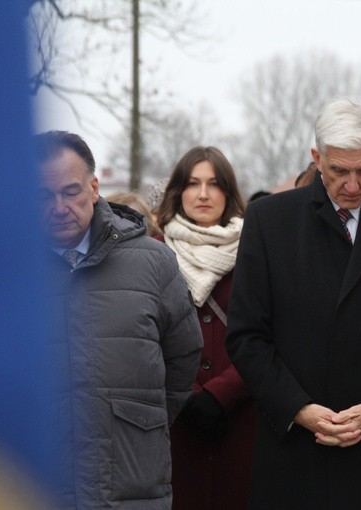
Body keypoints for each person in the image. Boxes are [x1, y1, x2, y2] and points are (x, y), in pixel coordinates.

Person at [225, 97, 361, 509]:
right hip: (293, 450)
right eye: (339, 171)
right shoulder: (269, 220)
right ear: (317, 157)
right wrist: (299, 408)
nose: (352, 185)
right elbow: (246, 336)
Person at [35, 130, 203, 509]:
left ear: (94, 188)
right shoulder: (6, 275)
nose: (59, 207)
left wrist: (138, 420)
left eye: (71, 191)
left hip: (130, 487)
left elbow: (183, 357)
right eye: (44, 196)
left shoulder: (154, 263)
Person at [154, 146, 255, 510]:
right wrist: (189, 394)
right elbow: (142, 338)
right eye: (192, 183)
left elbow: (270, 335)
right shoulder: (151, 253)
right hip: (172, 424)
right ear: (177, 191)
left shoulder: (257, 251)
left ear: (228, 194)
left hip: (243, 419)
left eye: (214, 184)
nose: (202, 194)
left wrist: (219, 395)